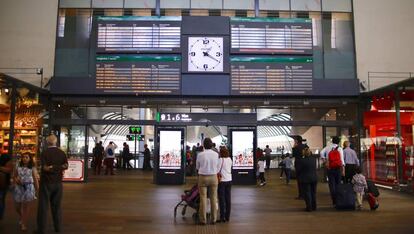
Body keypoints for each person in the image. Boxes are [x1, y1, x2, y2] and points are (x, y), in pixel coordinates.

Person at [35, 134, 68, 234]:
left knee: (43, 207)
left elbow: (44, 168)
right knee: (57, 206)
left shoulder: (44, 153)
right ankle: (58, 228)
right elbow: (65, 166)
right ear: (56, 142)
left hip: (46, 182)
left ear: (47, 142)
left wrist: (51, 167)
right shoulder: (62, 153)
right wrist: (58, 167)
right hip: (58, 183)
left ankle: (42, 229)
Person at [196, 138, 220, 225]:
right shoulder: (216, 154)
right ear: (211, 145)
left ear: (203, 145)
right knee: (213, 198)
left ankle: (203, 220)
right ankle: (213, 219)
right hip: (213, 177)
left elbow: (197, 167)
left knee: (203, 198)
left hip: (202, 177)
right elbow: (217, 166)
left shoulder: (200, 155)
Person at [13, 153, 39, 231]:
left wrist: (37, 190)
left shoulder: (32, 168)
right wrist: (16, 179)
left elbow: (35, 180)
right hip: (19, 188)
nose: (24, 159)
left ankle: (24, 223)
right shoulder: (18, 166)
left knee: (26, 208)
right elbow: (14, 176)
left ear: (30, 159)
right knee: (17, 207)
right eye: (23, 157)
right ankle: (22, 216)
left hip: (29, 188)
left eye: (26, 157)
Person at [320, 136, 345, 206]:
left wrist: (325, 161)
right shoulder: (340, 149)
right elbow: (342, 160)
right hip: (338, 168)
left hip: (330, 168)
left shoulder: (327, 147)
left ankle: (334, 200)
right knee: (338, 184)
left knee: (331, 184)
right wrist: (343, 170)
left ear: (332, 141)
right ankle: (338, 199)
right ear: (338, 142)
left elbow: (321, 153)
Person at [297, 148, 318, 212]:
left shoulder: (301, 161)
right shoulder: (314, 159)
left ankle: (309, 207)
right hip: (314, 178)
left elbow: (298, 170)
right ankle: (314, 206)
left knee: (307, 193)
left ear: (304, 153)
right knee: (313, 193)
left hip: (305, 178)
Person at [217, 146, 232, 223]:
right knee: (228, 199)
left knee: (221, 199)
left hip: (222, 181)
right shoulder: (230, 159)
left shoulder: (220, 160)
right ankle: (227, 217)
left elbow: (217, 170)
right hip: (229, 180)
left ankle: (222, 217)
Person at [0, 153, 13, 220]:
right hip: (5, 185)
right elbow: (9, 170)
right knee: (2, 200)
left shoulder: (8, 164)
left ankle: (1, 215)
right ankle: (1, 215)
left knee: (1, 200)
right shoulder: (10, 163)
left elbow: (9, 170)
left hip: (4, 185)